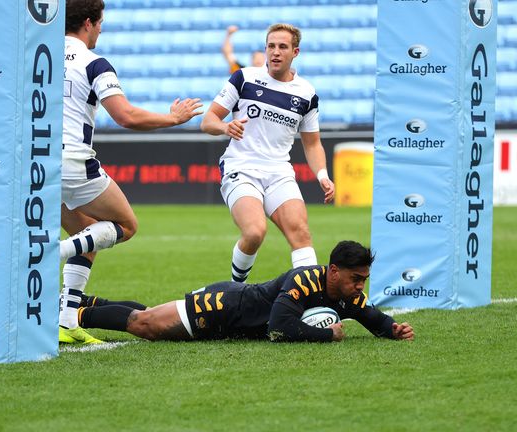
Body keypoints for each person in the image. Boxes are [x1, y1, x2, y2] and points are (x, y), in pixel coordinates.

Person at [59, 0, 203, 344]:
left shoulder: (37, 57)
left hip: (34, 165)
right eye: (101, 22)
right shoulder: (94, 63)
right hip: (73, 163)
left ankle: (65, 321)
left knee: (87, 233)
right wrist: (175, 119)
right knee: (126, 225)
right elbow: (126, 116)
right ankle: (51, 251)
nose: (101, 29)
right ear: (90, 22)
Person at [201, 23, 335, 284]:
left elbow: (312, 143)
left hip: (279, 172)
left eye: (282, 47)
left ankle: (310, 301)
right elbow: (208, 121)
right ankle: (236, 292)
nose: (275, 52)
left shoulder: (307, 93)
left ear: (295, 52)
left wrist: (322, 175)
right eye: (271, 46)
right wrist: (225, 126)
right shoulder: (244, 78)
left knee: (301, 233)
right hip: (241, 166)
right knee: (254, 232)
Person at [77, 240, 415, 343]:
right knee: (145, 325)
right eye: (356, 279)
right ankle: (73, 316)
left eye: (364, 280)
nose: (360, 287)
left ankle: (87, 301)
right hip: (226, 307)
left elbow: (371, 317)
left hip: (233, 318)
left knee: (155, 313)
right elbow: (279, 327)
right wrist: (326, 335)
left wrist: (391, 329)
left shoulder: (349, 295)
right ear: (334, 271)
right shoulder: (304, 280)